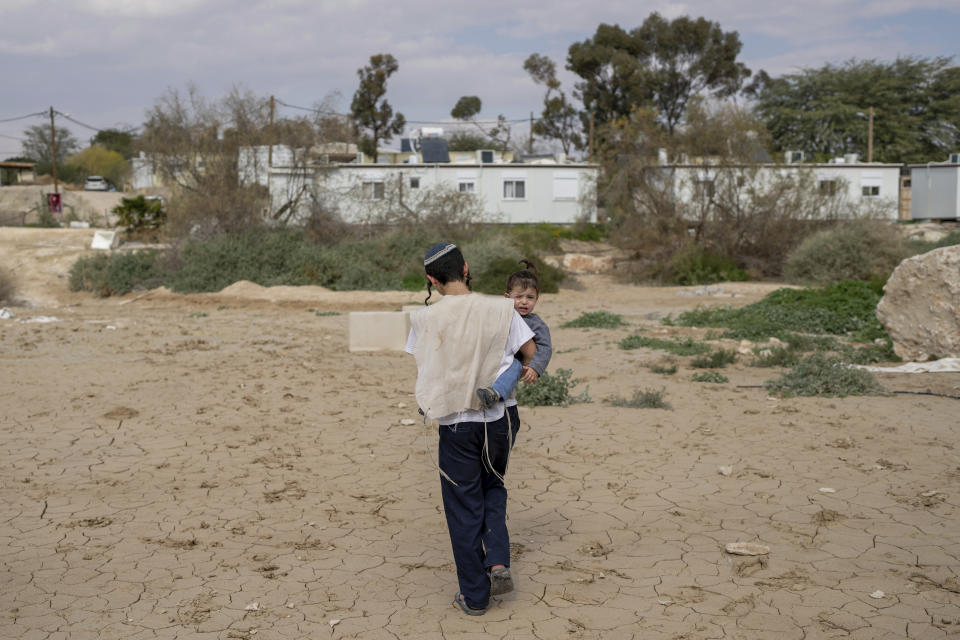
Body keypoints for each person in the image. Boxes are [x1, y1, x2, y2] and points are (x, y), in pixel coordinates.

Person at [405, 242, 536, 616]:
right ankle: (497, 560)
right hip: (500, 419)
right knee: (493, 485)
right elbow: (529, 351)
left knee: (464, 506)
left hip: (456, 422)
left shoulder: (423, 318)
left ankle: (475, 597)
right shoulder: (503, 308)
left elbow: (427, 366)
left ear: (432, 279)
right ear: (464, 267)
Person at [476, 261, 554, 441]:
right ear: (507, 297)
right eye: (519, 297)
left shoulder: (536, 323)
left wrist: (535, 367)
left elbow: (545, 347)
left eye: (530, 297)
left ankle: (495, 393)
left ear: (537, 299)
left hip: (516, 361)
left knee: (514, 366)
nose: (524, 302)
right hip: (493, 358)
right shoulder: (500, 315)